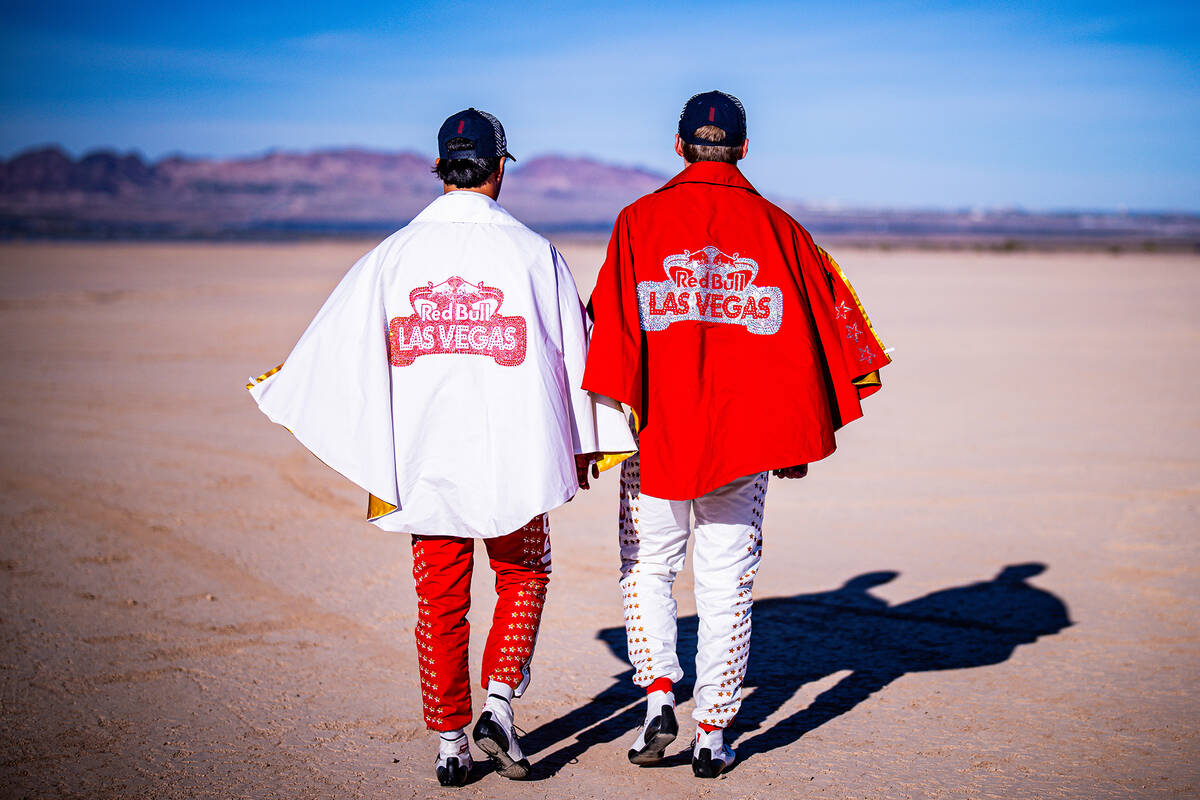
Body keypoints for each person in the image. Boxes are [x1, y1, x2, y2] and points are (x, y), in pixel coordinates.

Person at [247, 108, 635, 786]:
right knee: (525, 572)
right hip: (515, 453)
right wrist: (584, 441)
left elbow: (338, 347)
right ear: (500, 168)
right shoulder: (533, 253)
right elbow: (574, 352)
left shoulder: (393, 255)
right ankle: (499, 705)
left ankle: (452, 743)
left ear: (439, 168)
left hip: (424, 459)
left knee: (439, 599)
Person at [582, 90, 891, 778]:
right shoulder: (780, 228)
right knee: (726, 585)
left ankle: (657, 697)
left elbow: (608, 325)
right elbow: (814, 331)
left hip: (656, 436)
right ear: (744, 148)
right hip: (744, 443)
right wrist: (791, 434)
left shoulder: (637, 221)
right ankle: (713, 732)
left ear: (678, 145)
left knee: (647, 566)